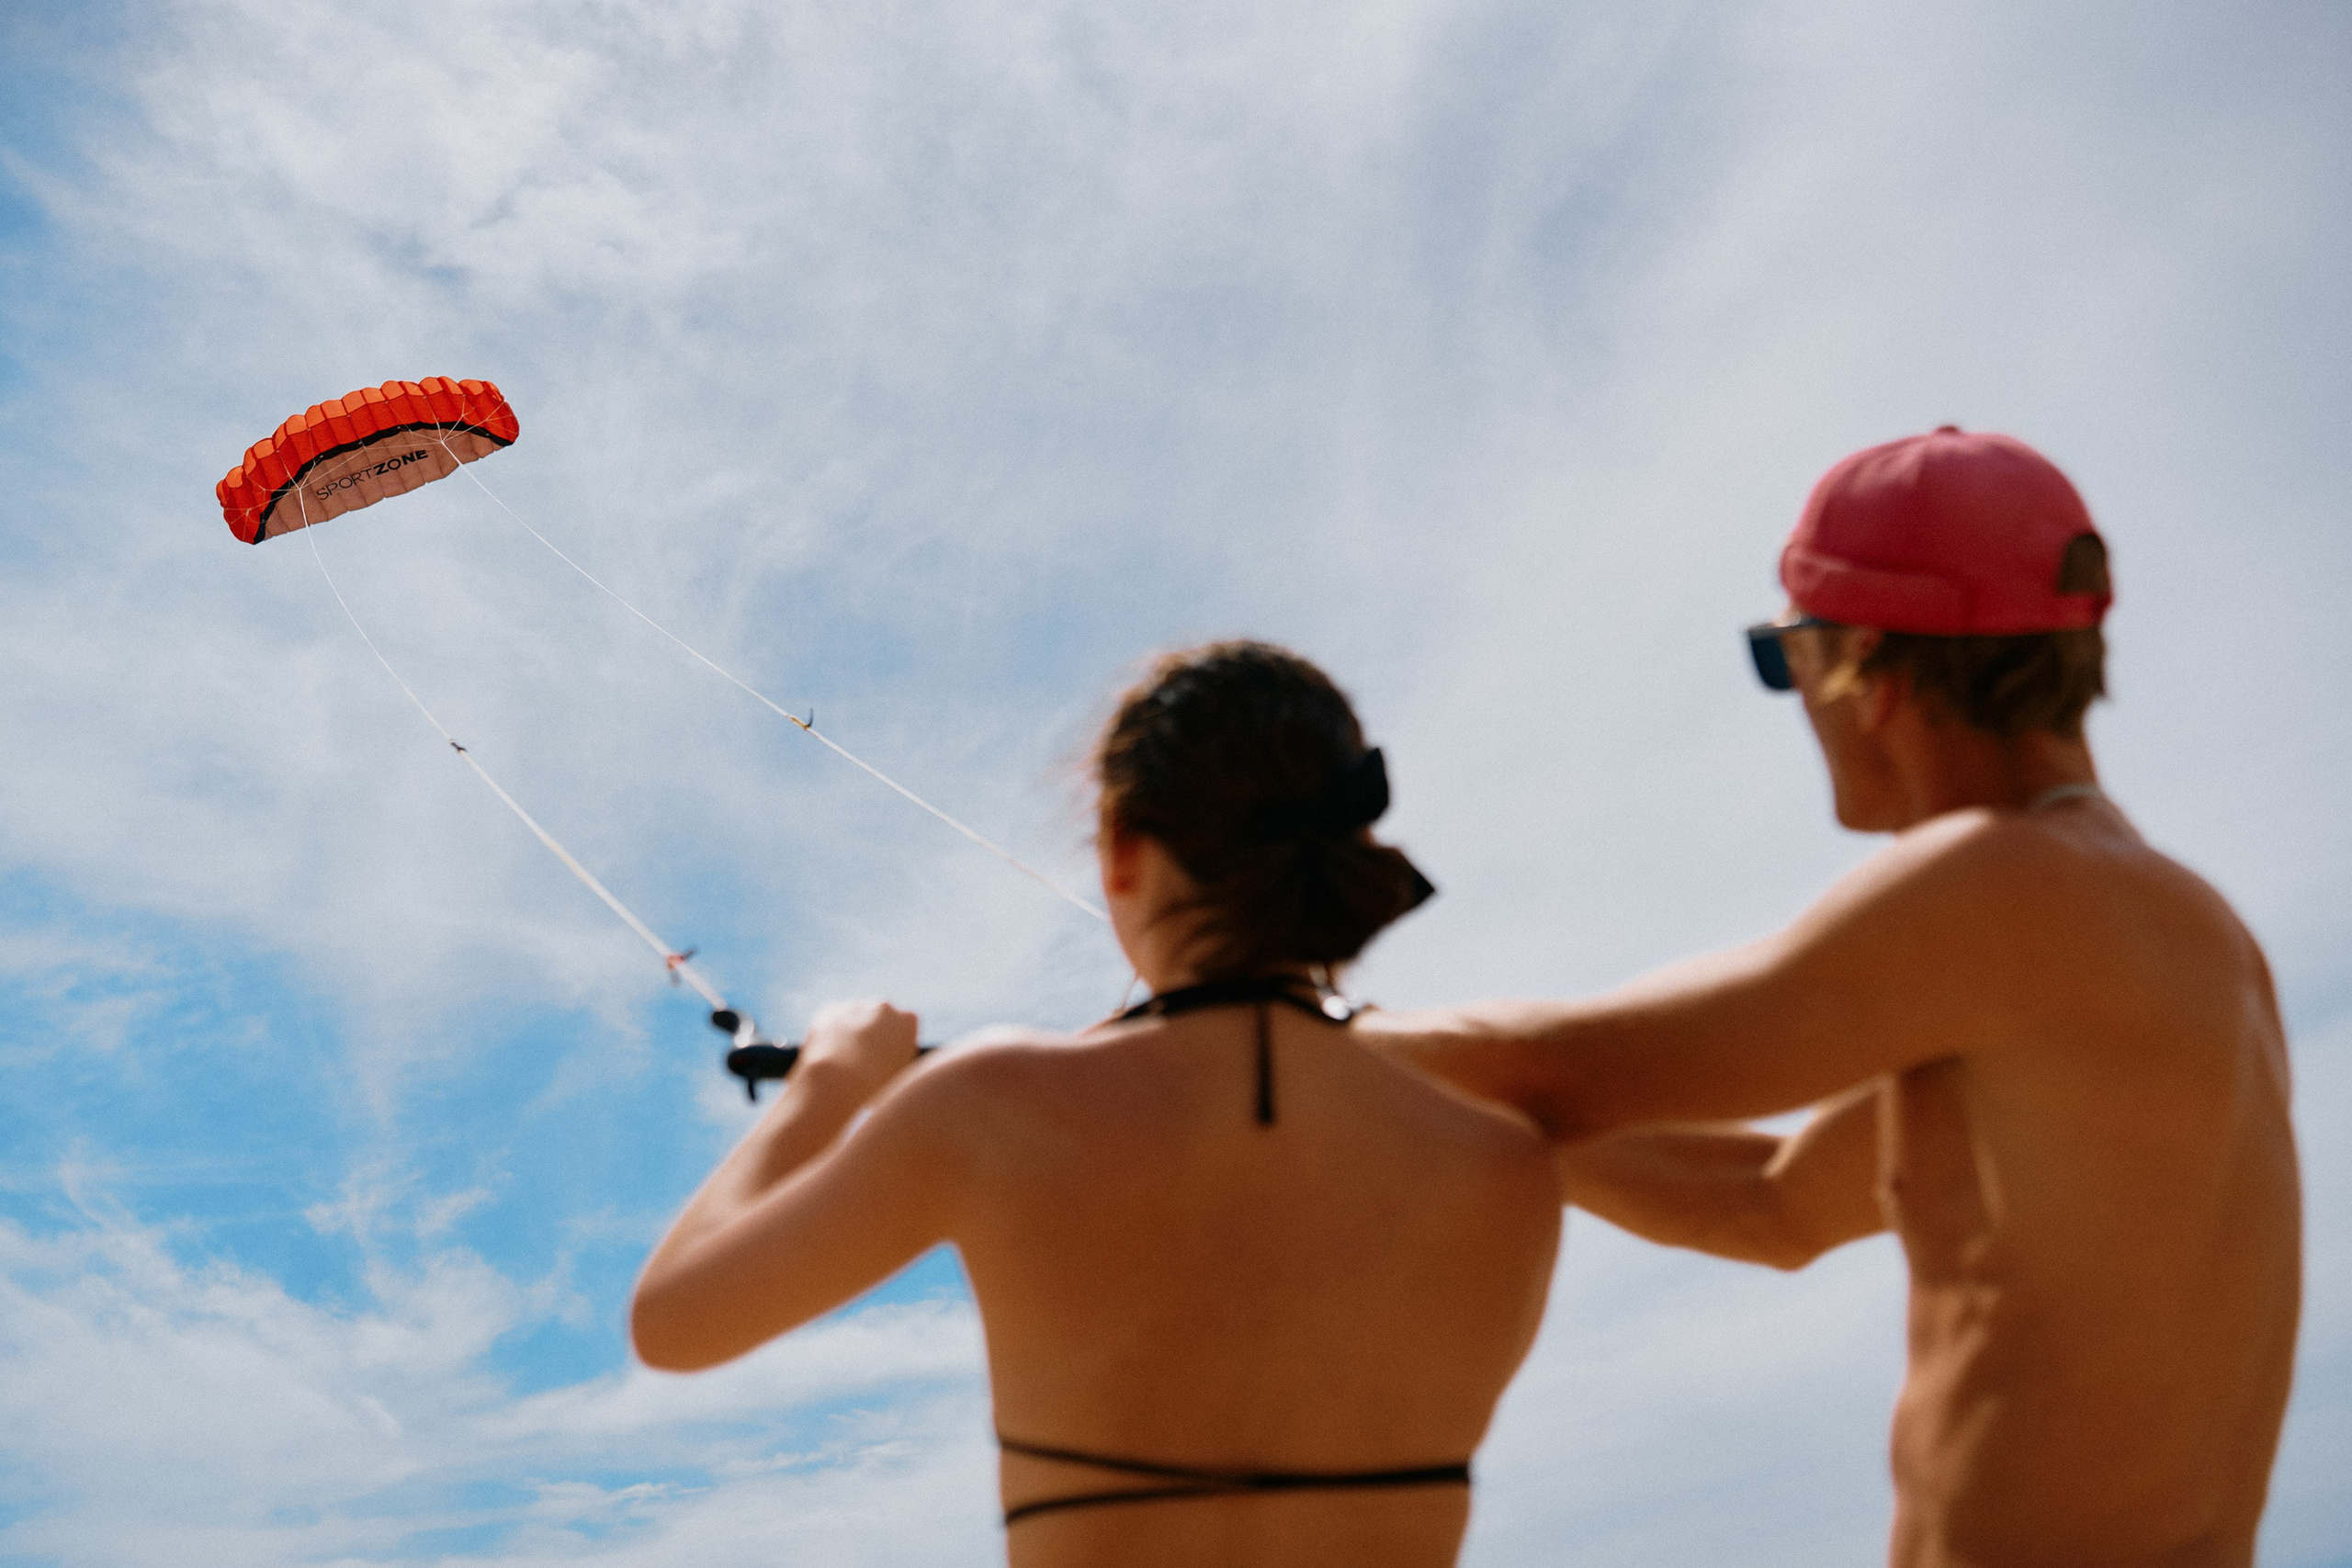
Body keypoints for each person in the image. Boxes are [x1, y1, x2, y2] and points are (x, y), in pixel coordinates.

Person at [1363, 427, 2302, 1568]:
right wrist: (1469, 1112)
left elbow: (1575, 1070)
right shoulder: (2160, 936)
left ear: (1860, 661)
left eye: (1781, 656)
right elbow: (1768, 1204)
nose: (1793, 696)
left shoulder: (2010, 889)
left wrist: (1288, 1031)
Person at [632, 641, 1560, 1568]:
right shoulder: (1505, 1160)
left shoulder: (993, 1106)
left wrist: (830, 1083)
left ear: (1122, 852)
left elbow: (673, 1323)